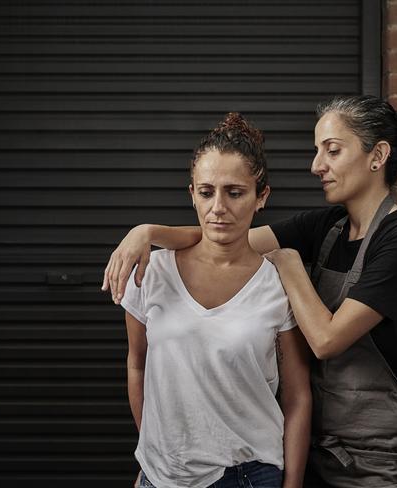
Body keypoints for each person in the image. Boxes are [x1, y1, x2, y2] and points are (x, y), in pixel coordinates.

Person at [103, 95, 397, 487]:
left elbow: (328, 340)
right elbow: (225, 234)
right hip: (322, 453)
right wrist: (147, 233)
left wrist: (290, 262)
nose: (316, 166)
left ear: (377, 155)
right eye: (317, 151)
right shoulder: (328, 225)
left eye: (331, 151)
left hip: (381, 461)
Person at [119, 112, 311, 488]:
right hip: (161, 477)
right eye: (206, 192)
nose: (218, 207)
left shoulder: (276, 284)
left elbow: (298, 397)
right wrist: (155, 453)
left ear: (261, 197)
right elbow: (136, 367)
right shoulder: (151, 272)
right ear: (192, 194)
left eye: (235, 192)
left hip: (249, 475)